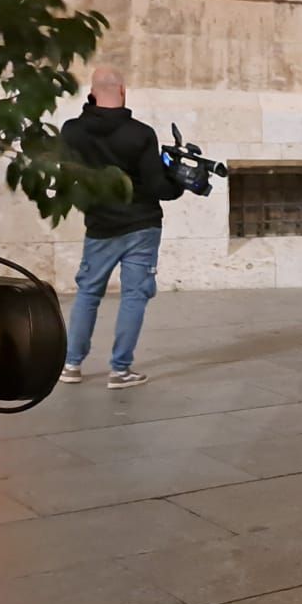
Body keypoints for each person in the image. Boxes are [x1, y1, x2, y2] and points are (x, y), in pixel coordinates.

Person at [58, 67, 184, 389]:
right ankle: (120, 370)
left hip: (100, 226)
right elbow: (158, 187)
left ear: (92, 91)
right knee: (134, 296)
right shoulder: (140, 134)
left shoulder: (71, 131)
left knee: (88, 292)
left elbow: (66, 180)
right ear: (123, 91)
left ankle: (71, 364)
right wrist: (180, 183)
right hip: (142, 225)